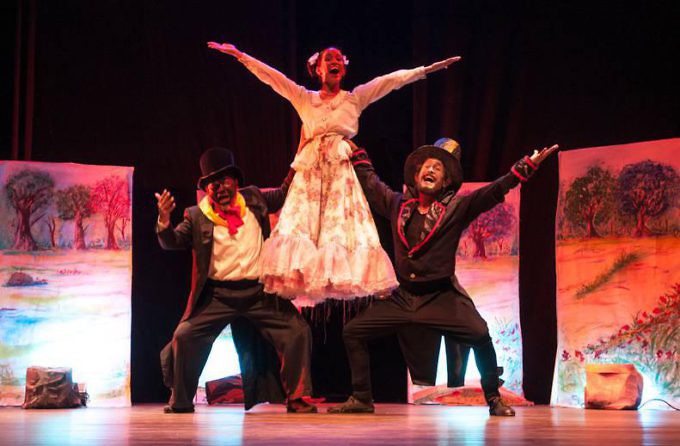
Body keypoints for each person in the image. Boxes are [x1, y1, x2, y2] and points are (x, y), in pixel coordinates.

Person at [207, 42, 460, 303]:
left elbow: (390, 81)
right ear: (318, 69)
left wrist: (426, 70)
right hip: (310, 178)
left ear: (344, 69)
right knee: (301, 231)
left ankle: (335, 281)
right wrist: (240, 56)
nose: (335, 61)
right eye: (329, 58)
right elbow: (274, 78)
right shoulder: (305, 98)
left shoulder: (354, 98)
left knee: (338, 233)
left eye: (339, 58)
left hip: (340, 176)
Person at [328, 138, 558, 415]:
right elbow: (371, 184)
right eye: (427, 166)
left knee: (480, 334)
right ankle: (362, 398)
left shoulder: (456, 208)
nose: (431, 170)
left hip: (440, 297)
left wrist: (523, 168)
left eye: (438, 168)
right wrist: (357, 154)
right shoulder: (397, 204)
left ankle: (494, 398)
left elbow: (492, 192)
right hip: (403, 296)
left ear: (446, 182)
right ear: (416, 176)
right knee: (353, 331)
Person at [155, 147, 316, 413]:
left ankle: (297, 397)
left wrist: (302, 157)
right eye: (213, 185)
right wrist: (163, 221)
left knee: (297, 331)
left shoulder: (254, 198)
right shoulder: (196, 216)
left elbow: (284, 193)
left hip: (259, 292)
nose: (220, 189)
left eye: (224, 181)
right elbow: (172, 241)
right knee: (184, 336)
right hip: (218, 296)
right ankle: (181, 401)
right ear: (207, 190)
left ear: (236, 182)